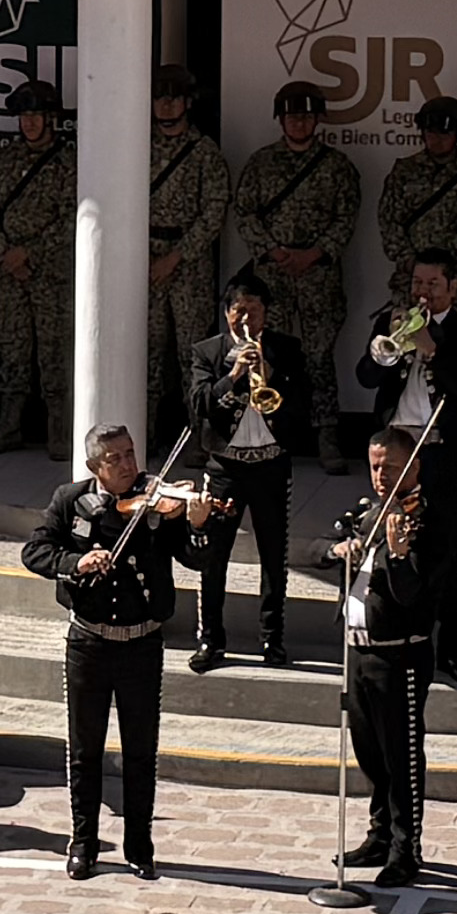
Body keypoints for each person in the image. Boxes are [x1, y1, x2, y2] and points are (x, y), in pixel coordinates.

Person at [25, 426, 197, 880]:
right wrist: (74, 563)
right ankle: (83, 842)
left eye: (130, 453)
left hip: (142, 642)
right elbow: (35, 551)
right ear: (94, 467)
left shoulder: (158, 504)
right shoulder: (71, 499)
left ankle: (140, 843)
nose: (128, 466)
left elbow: (195, 558)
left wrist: (196, 520)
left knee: (141, 749)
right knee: (85, 749)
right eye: (115, 459)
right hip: (89, 642)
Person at [355, 249, 457, 685]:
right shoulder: (391, 323)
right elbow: (365, 377)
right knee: (385, 544)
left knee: (445, 553)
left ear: (452, 288)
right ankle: (392, 633)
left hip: (439, 454)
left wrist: (432, 351)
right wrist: (389, 351)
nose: (423, 292)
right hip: (394, 450)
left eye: (433, 284)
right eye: (418, 283)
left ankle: (450, 648)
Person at [334, 429, 450, 903]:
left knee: (401, 753)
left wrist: (399, 556)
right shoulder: (366, 513)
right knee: (370, 752)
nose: (381, 477)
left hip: (398, 650)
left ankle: (407, 846)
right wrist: (337, 551)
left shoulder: (431, 520)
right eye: (375, 466)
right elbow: (317, 550)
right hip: (357, 650)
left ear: (414, 467)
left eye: (390, 467)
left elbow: (414, 595)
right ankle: (379, 833)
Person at [230, 87, 366, 464]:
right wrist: (273, 251)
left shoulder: (337, 166)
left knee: (319, 357)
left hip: (318, 275)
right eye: (292, 117)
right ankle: (267, 433)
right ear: (281, 120)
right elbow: (245, 212)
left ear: (317, 120)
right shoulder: (262, 163)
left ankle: (327, 437)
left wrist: (314, 253)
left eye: (306, 116)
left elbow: (346, 216)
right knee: (266, 356)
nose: (299, 123)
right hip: (272, 275)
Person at [185, 278, 303, 675]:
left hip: (270, 465)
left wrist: (272, 376)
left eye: (254, 310)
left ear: (266, 314)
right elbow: (200, 406)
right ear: (227, 312)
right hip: (226, 468)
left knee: (274, 556)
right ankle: (210, 640)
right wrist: (234, 375)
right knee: (213, 557)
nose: (246, 318)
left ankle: (272, 637)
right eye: (239, 310)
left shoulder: (286, 349)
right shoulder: (208, 352)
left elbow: (301, 407)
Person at [0, 79, 76, 453]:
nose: (30, 122)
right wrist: (7, 254)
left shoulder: (69, 162)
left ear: (51, 118)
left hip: (51, 275)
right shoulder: (3, 162)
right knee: (12, 352)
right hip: (9, 275)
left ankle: (59, 430)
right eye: (24, 115)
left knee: (54, 352)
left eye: (36, 114)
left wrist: (29, 252)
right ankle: (9, 426)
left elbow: (72, 217)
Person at [372, 94, 457, 353]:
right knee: (402, 352)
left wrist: (441, 269)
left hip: (455, 289)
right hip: (410, 282)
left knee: (454, 355)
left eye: (444, 133)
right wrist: (409, 260)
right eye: (430, 131)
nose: (436, 139)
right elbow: (388, 220)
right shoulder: (404, 171)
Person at [141, 67, 228, 396]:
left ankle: (196, 434)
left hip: (188, 264)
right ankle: (142, 435)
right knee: (144, 353)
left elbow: (214, 211)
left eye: (174, 98)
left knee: (193, 355)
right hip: (145, 258)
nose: (165, 106)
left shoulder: (204, 153)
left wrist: (175, 257)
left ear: (187, 103)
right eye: (159, 98)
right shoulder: (135, 148)